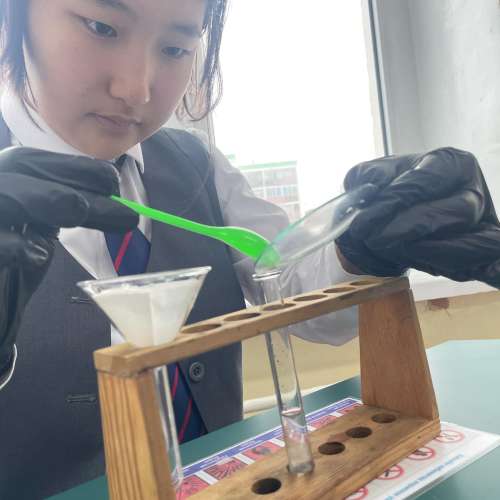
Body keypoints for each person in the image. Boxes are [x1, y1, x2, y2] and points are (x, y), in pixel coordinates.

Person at [0, 0, 499, 498]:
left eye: (174, 48)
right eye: (101, 27)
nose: (136, 88)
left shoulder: (195, 163)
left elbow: (289, 287)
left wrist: (363, 248)